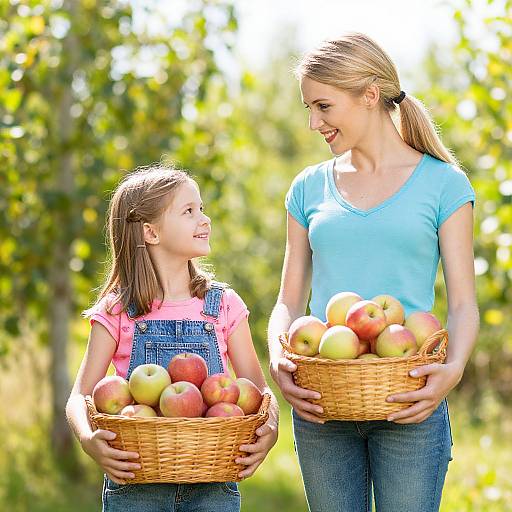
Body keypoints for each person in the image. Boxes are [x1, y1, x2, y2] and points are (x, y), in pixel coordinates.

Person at [267, 33, 479, 512]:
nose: (313, 122)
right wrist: (279, 360)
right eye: (309, 108)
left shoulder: (444, 184)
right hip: (324, 401)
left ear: (368, 95)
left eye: (323, 106)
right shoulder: (308, 188)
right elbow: (288, 300)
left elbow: (464, 303)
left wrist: (452, 370)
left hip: (409, 398)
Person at [66, 164, 279, 512]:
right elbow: (79, 396)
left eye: (202, 209)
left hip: (213, 483)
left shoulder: (222, 305)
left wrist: (271, 429)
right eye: (189, 211)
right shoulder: (120, 310)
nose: (204, 219)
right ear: (150, 232)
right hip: (137, 483)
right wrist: (89, 440)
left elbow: (258, 391)